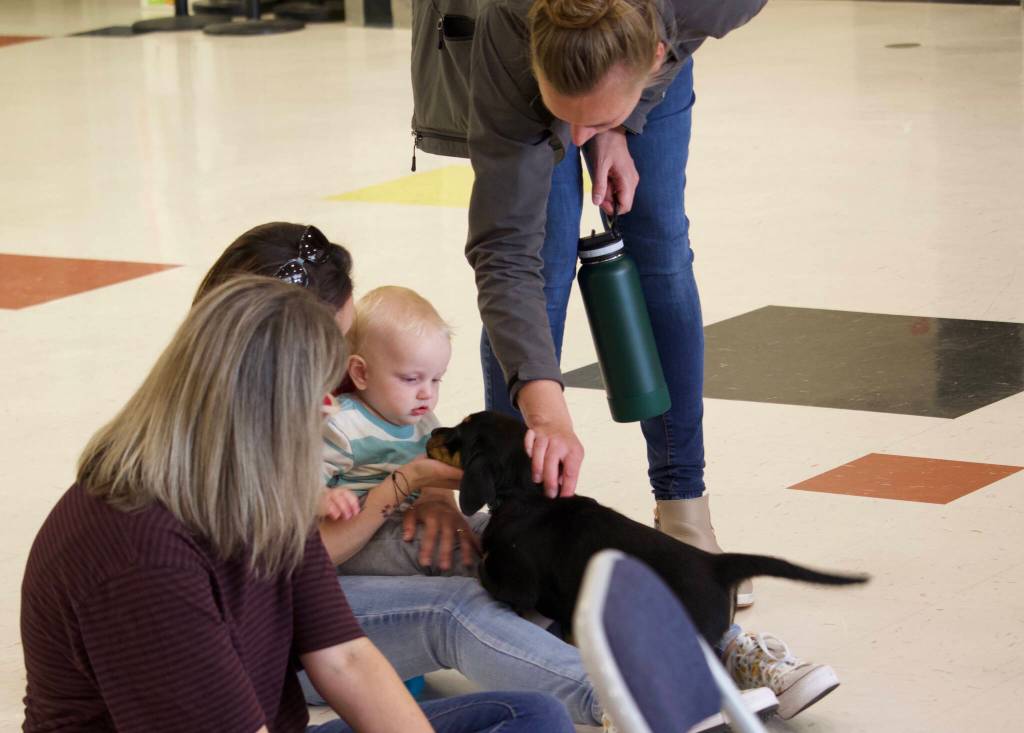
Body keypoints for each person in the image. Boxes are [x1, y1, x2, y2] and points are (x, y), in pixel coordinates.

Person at [191, 222, 846, 726]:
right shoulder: (231, 437)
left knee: (546, 532)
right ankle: (634, 700)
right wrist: (403, 488)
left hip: (347, 576)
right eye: (329, 342)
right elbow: (296, 572)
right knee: (463, 602)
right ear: (276, 343)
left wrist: (441, 505)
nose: (338, 365)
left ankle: (720, 640)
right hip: (284, 636)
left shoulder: (322, 389)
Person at [20, 276, 573, 733]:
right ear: (256, 406)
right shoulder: (144, 556)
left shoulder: (254, 489)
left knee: (530, 717)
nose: (332, 408)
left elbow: (346, 658)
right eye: (318, 389)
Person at [414, 0, 768, 605]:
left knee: (657, 248)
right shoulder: (511, 23)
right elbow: (505, 253)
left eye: (590, 121)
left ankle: (685, 506)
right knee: (540, 268)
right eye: (563, 117)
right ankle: (518, 527)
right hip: (520, 43)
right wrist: (545, 411)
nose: (572, 142)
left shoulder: (705, 6)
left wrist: (626, 122)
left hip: (648, 43)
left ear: (657, 53)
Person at [321, 285, 487, 576]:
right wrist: (323, 498)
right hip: (364, 537)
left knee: (499, 532)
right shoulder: (342, 424)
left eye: (436, 380)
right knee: (464, 554)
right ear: (361, 373)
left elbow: (442, 472)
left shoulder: (422, 419)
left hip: (407, 521)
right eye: (412, 379)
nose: (426, 394)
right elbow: (298, 483)